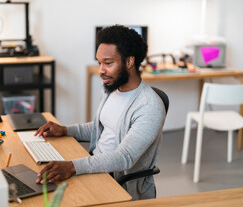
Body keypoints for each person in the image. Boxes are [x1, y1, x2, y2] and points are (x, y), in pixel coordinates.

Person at [35, 25, 166, 200]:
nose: (100, 71)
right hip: (96, 166)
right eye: (99, 62)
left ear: (129, 62)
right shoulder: (111, 89)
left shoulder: (150, 106)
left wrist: (73, 166)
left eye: (108, 63)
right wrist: (65, 130)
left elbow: (124, 157)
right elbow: (102, 128)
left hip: (118, 181)